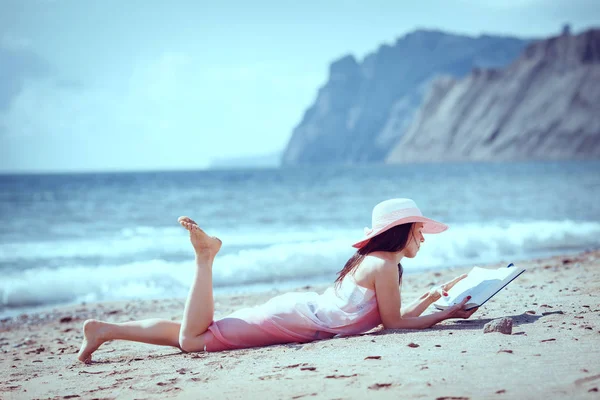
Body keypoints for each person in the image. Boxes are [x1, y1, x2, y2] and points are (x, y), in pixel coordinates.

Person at [77, 198, 477, 363]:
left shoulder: (379, 262)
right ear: (402, 230)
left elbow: (384, 316)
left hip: (298, 312)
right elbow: (393, 325)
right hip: (294, 319)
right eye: (419, 230)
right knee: (193, 341)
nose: (424, 237)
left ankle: (104, 330)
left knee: (201, 332)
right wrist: (447, 315)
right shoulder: (384, 265)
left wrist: (429, 301)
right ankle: (205, 258)